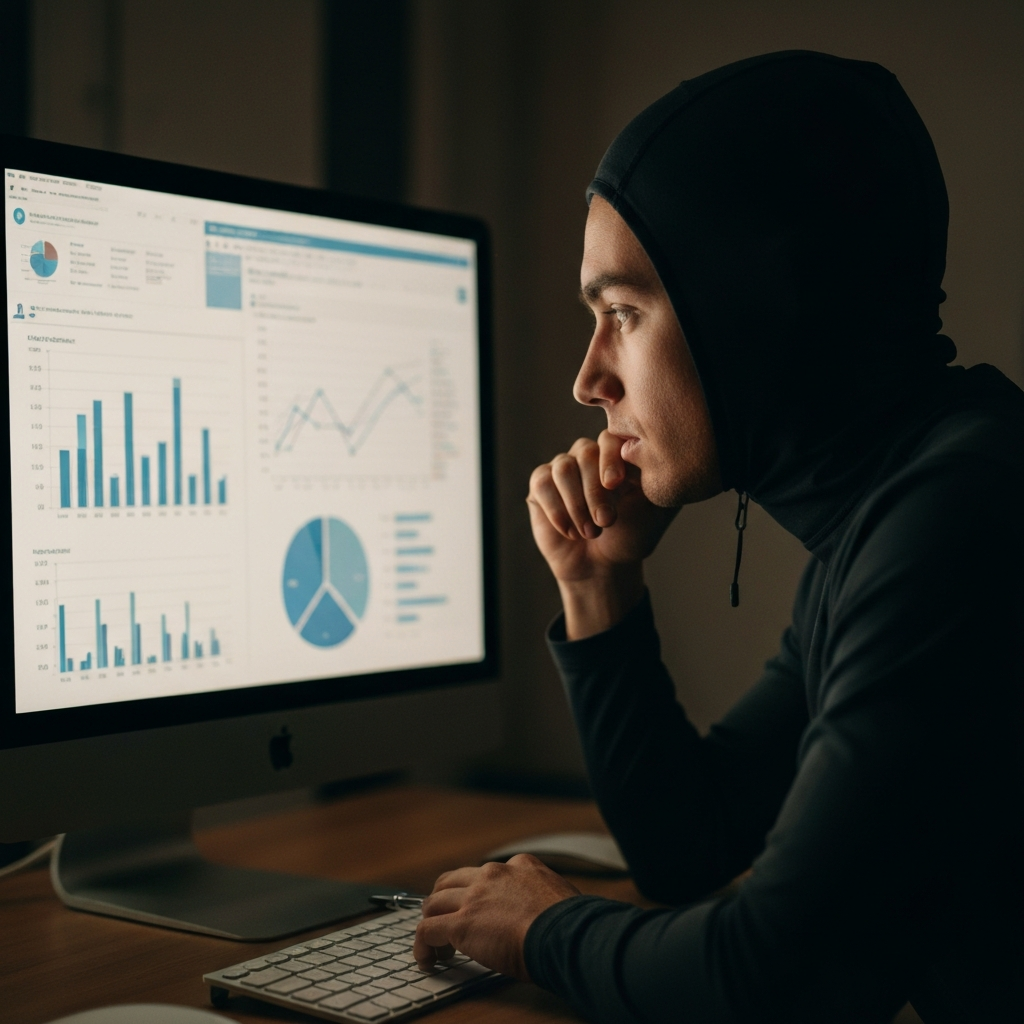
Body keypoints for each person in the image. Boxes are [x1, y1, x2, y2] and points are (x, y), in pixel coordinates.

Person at [412, 50, 1024, 1022]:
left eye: (622, 312)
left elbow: (770, 979)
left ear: (752, 311)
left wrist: (540, 929)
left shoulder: (954, 526)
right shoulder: (890, 517)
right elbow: (688, 850)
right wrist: (598, 587)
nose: (588, 379)